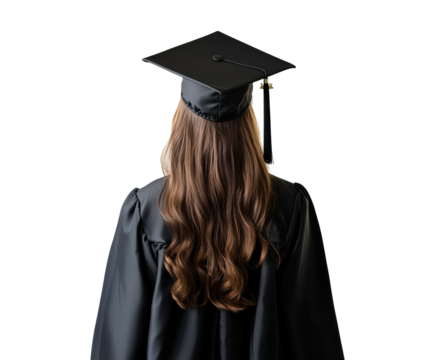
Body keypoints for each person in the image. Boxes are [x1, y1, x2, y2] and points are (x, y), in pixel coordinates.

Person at [91, 30, 345, 359]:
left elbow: (118, 341)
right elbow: (313, 337)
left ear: (180, 120)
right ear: (249, 121)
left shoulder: (145, 211)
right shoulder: (288, 206)